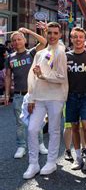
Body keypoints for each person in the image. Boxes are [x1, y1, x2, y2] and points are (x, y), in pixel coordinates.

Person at [23, 22, 68, 179]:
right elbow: (32, 77)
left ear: (60, 35)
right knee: (32, 129)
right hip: (39, 98)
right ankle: (33, 163)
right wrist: (31, 98)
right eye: (50, 33)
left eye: (56, 33)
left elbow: (62, 77)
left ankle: (51, 162)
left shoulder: (61, 53)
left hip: (56, 97)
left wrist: (44, 75)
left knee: (54, 130)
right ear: (45, 33)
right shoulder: (39, 53)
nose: (52, 36)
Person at [5, 27, 47, 160]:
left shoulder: (32, 53)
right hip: (18, 95)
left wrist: (29, 32)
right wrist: (6, 94)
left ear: (24, 41)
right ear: (12, 44)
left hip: (34, 94)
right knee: (20, 123)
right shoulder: (10, 58)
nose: (17, 42)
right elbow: (7, 76)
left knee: (37, 121)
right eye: (14, 40)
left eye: (19, 39)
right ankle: (21, 146)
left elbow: (44, 42)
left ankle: (40, 144)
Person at [66, 27, 86, 170]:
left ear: (85, 39)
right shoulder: (66, 56)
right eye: (75, 37)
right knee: (74, 127)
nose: (78, 39)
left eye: (80, 37)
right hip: (70, 96)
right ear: (71, 39)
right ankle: (78, 157)